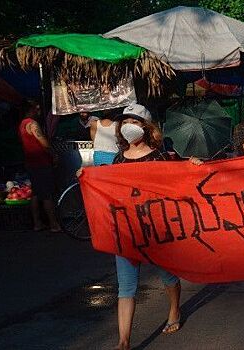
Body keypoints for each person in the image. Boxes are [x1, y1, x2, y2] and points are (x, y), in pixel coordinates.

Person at [77, 104, 203, 350]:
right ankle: (123, 342)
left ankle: (175, 310)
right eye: (124, 122)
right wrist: (87, 175)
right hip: (126, 231)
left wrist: (193, 166)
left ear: (145, 127)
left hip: (155, 229)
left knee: (167, 275)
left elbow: (176, 180)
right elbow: (108, 187)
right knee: (126, 288)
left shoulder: (159, 157)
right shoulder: (117, 158)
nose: (128, 127)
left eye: (134, 122)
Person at [17, 101, 62, 233]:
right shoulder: (32, 124)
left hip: (31, 163)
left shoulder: (21, 124)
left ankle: (37, 223)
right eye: (36, 108)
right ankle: (54, 224)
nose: (39, 111)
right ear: (30, 109)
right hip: (41, 163)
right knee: (47, 194)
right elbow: (44, 143)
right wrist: (53, 155)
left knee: (36, 193)